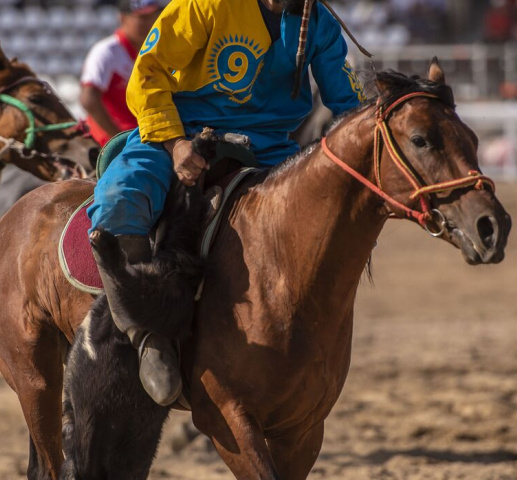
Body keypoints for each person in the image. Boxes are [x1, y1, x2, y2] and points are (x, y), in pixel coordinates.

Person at [88, 0, 364, 405]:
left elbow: (348, 106)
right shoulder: (207, 4)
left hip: (268, 144)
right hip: (179, 131)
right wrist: (176, 143)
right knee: (119, 199)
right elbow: (147, 75)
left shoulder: (317, 20)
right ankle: (148, 335)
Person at [79, 0, 164, 145]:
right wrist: (118, 138)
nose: (151, 22)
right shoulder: (107, 51)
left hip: (145, 139)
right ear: (123, 18)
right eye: (142, 18)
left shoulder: (158, 49)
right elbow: (89, 100)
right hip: (111, 145)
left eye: (154, 16)